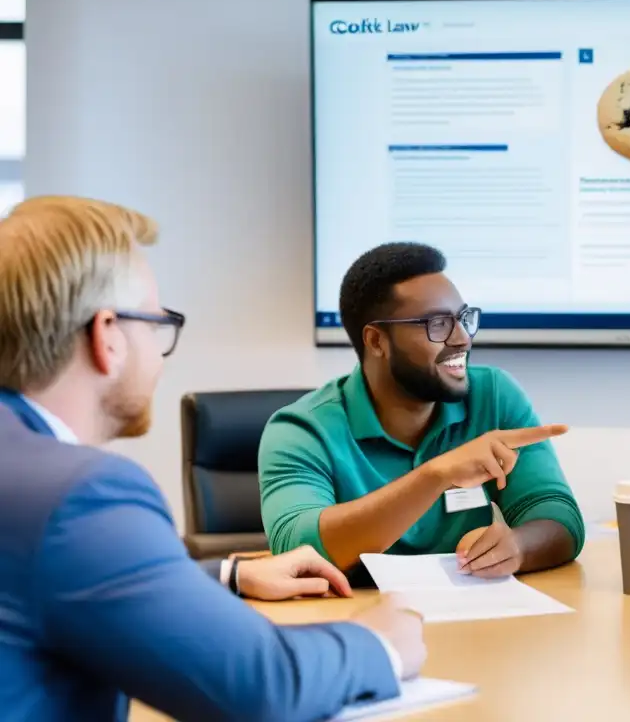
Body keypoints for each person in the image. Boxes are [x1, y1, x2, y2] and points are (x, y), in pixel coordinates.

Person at [0, 196, 426, 722]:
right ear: (107, 335)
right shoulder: (76, 495)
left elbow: (62, 576)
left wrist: (230, 575)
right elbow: (262, 687)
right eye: (156, 325)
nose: (159, 354)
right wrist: (378, 644)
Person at [259, 242, 585, 578]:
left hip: (473, 620)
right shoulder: (301, 430)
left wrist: (516, 547)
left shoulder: (494, 395)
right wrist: (436, 475)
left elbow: (558, 516)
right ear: (376, 341)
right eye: (438, 324)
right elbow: (297, 551)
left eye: (463, 318)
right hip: (359, 620)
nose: (462, 339)